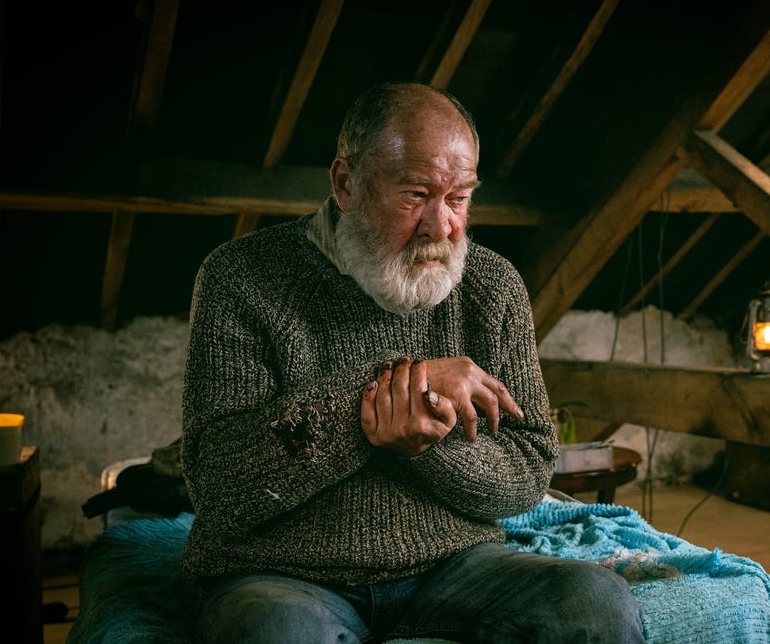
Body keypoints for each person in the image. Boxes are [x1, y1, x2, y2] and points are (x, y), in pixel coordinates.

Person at [181, 81, 645, 643]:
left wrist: (424, 435)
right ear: (346, 183)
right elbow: (218, 485)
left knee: (596, 601)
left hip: (456, 567)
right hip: (281, 575)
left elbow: (528, 471)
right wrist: (382, 404)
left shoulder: (493, 286)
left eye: (459, 198)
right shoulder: (240, 276)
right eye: (416, 194)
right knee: (279, 631)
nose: (441, 226)